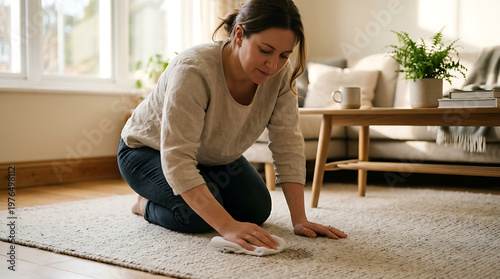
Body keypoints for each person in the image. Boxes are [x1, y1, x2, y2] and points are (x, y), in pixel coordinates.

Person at [118, 0, 347, 252]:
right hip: (147, 152)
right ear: (239, 35)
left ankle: (200, 193)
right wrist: (227, 226)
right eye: (265, 50)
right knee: (195, 216)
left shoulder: (280, 75)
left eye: (284, 55)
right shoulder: (193, 69)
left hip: (210, 157)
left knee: (257, 209)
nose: (273, 65)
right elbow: (177, 159)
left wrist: (299, 219)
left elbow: (287, 142)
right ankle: (143, 205)